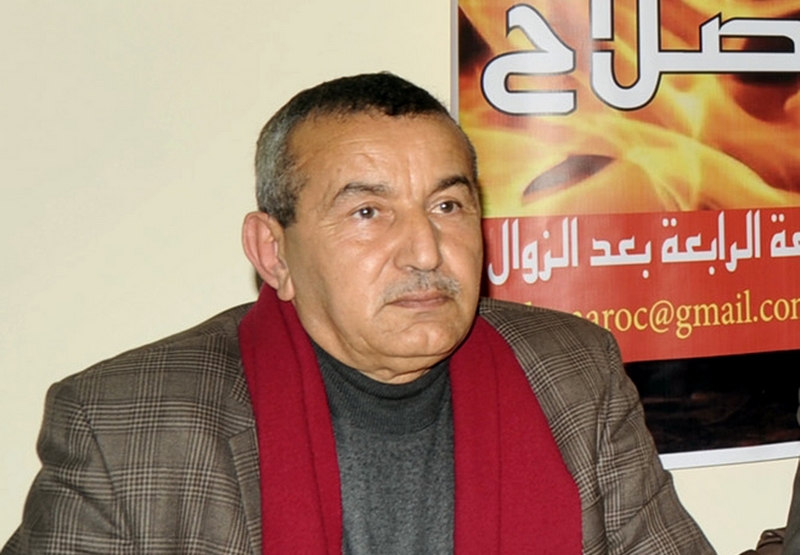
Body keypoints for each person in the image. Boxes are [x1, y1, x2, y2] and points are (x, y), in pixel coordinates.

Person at [1, 72, 715, 554]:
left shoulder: (573, 371)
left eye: (448, 205)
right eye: (368, 212)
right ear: (273, 252)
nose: (426, 250)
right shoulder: (125, 424)